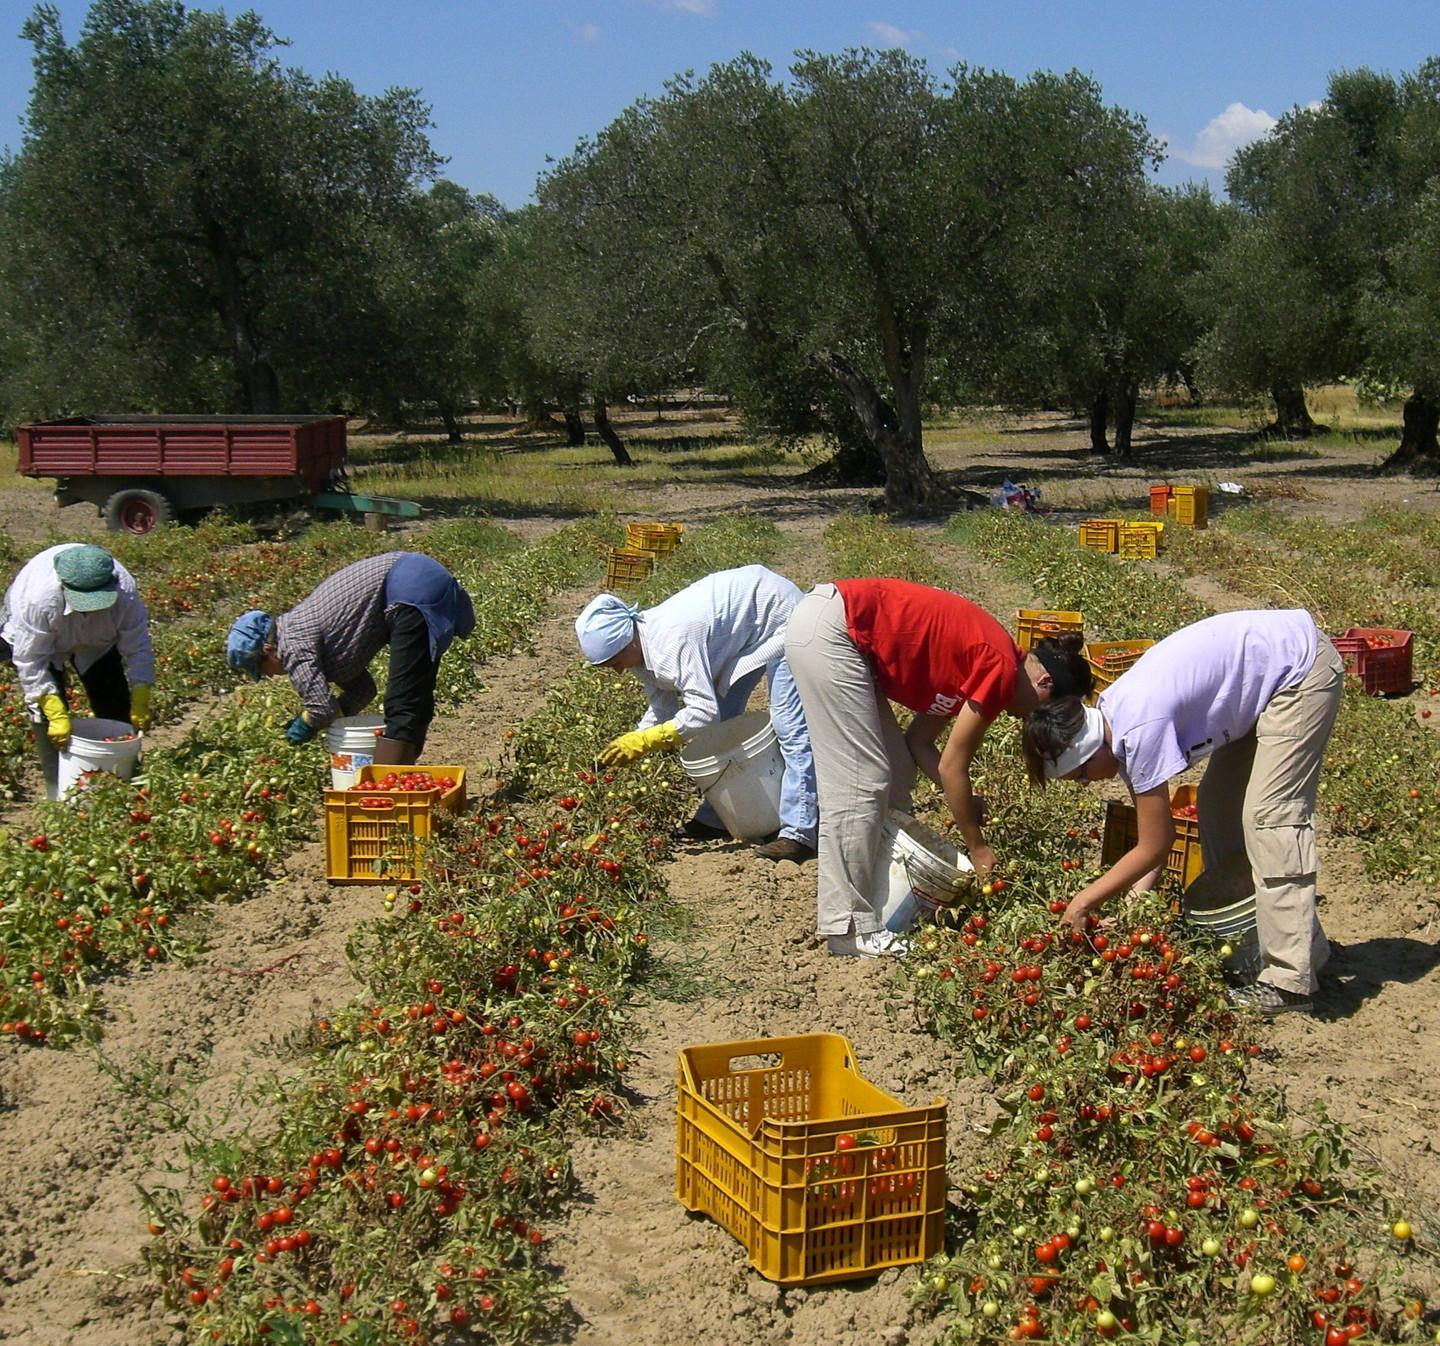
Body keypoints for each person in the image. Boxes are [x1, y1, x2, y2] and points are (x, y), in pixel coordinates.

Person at [1021, 608, 1343, 1017]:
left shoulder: (1138, 729)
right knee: (1219, 806)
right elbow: (1150, 839)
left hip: (1298, 669)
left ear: (1088, 752)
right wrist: (1132, 911)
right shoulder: (1115, 720)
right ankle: (1262, 939)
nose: (1090, 783)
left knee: (1270, 817)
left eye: (1082, 777)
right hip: (1262, 684)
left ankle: (1289, 981)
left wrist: (1082, 903)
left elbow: (1157, 845)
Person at [784, 578, 1093, 958]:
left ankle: (878, 900)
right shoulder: (999, 666)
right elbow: (953, 767)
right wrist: (979, 850)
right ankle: (849, 928)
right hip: (834, 630)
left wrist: (967, 799)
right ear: (1044, 682)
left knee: (896, 774)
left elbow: (919, 743)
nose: (1026, 719)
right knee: (862, 782)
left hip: (840, 634)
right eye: (1038, 712)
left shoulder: (984, 663)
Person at [575, 564, 818, 860]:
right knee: (723, 728)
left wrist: (650, 740)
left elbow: (703, 713)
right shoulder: (640, 654)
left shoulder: (672, 641)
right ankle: (717, 819)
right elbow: (662, 710)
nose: (616, 671)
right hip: (743, 632)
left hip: (779, 614)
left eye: (614, 661)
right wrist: (634, 740)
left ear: (629, 640)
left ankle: (800, 833)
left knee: (788, 725)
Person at [226, 552, 474, 765]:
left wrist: (305, 724)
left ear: (268, 649)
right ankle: (404, 777)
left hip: (411, 589)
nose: (268, 675)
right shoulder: (301, 631)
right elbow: (364, 689)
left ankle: (388, 794)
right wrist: (340, 712)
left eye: (261, 668)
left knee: (402, 703)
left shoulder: (291, 644)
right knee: (416, 695)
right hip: (421, 578)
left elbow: (321, 708)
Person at [0, 544, 154, 785]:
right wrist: (54, 709)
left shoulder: (125, 592)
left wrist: (141, 691)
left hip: (98, 640)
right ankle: (57, 785)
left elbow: (138, 645)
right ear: (63, 587)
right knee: (47, 714)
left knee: (113, 699)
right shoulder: (37, 600)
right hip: (46, 641)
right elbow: (31, 659)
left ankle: (123, 775)